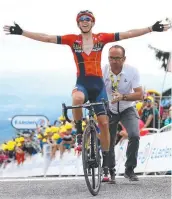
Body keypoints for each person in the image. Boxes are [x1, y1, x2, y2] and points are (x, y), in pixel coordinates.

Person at [3, 10, 170, 171]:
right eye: (81, 19)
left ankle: (106, 163)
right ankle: (79, 131)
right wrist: (22, 32)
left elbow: (127, 33)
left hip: (98, 87)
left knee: (104, 124)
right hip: (82, 83)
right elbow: (46, 38)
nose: (84, 21)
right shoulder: (72, 40)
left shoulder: (101, 38)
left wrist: (151, 28)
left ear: (93, 22)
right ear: (78, 23)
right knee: (76, 100)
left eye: (87, 19)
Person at [102, 45, 143, 183]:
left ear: (124, 59)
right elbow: (97, 90)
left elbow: (140, 94)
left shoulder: (132, 71)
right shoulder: (104, 70)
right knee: (110, 140)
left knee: (134, 135)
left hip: (127, 108)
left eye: (117, 58)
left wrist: (123, 97)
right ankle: (111, 169)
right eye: (111, 58)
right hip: (110, 109)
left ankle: (129, 169)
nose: (113, 61)